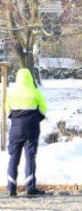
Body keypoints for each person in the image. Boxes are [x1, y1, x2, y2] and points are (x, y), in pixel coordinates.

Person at [6, 67, 47, 198]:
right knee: (30, 158)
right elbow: (44, 111)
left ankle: (11, 188)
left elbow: (8, 113)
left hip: (15, 132)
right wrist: (34, 120)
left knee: (13, 158)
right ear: (30, 78)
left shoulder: (11, 94)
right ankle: (30, 188)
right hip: (31, 131)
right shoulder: (35, 92)